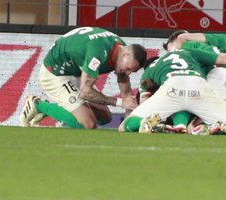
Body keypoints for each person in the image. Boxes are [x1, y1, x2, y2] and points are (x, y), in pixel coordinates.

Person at [18, 27, 146, 129]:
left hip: (77, 71)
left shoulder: (119, 49)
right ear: (125, 54)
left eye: (131, 71)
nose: (127, 73)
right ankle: (39, 104)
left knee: (105, 117)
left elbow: (124, 84)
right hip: (55, 75)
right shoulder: (97, 53)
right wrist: (119, 102)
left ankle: (68, 106)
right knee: (89, 124)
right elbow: (85, 92)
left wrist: (129, 114)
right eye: (128, 68)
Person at [120, 44, 226, 135]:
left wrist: (154, 120)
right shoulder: (189, 52)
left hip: (172, 86)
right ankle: (220, 127)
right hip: (198, 84)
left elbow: (145, 104)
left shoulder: (148, 73)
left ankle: (144, 123)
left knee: (125, 126)